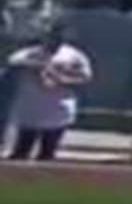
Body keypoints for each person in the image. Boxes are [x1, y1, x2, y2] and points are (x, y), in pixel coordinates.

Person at [5, 26, 92, 161]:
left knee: (47, 154)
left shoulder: (73, 55)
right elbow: (13, 63)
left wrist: (61, 79)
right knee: (21, 152)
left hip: (58, 112)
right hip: (30, 111)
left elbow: (84, 78)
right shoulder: (31, 53)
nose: (54, 41)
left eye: (58, 38)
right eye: (51, 37)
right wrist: (38, 66)